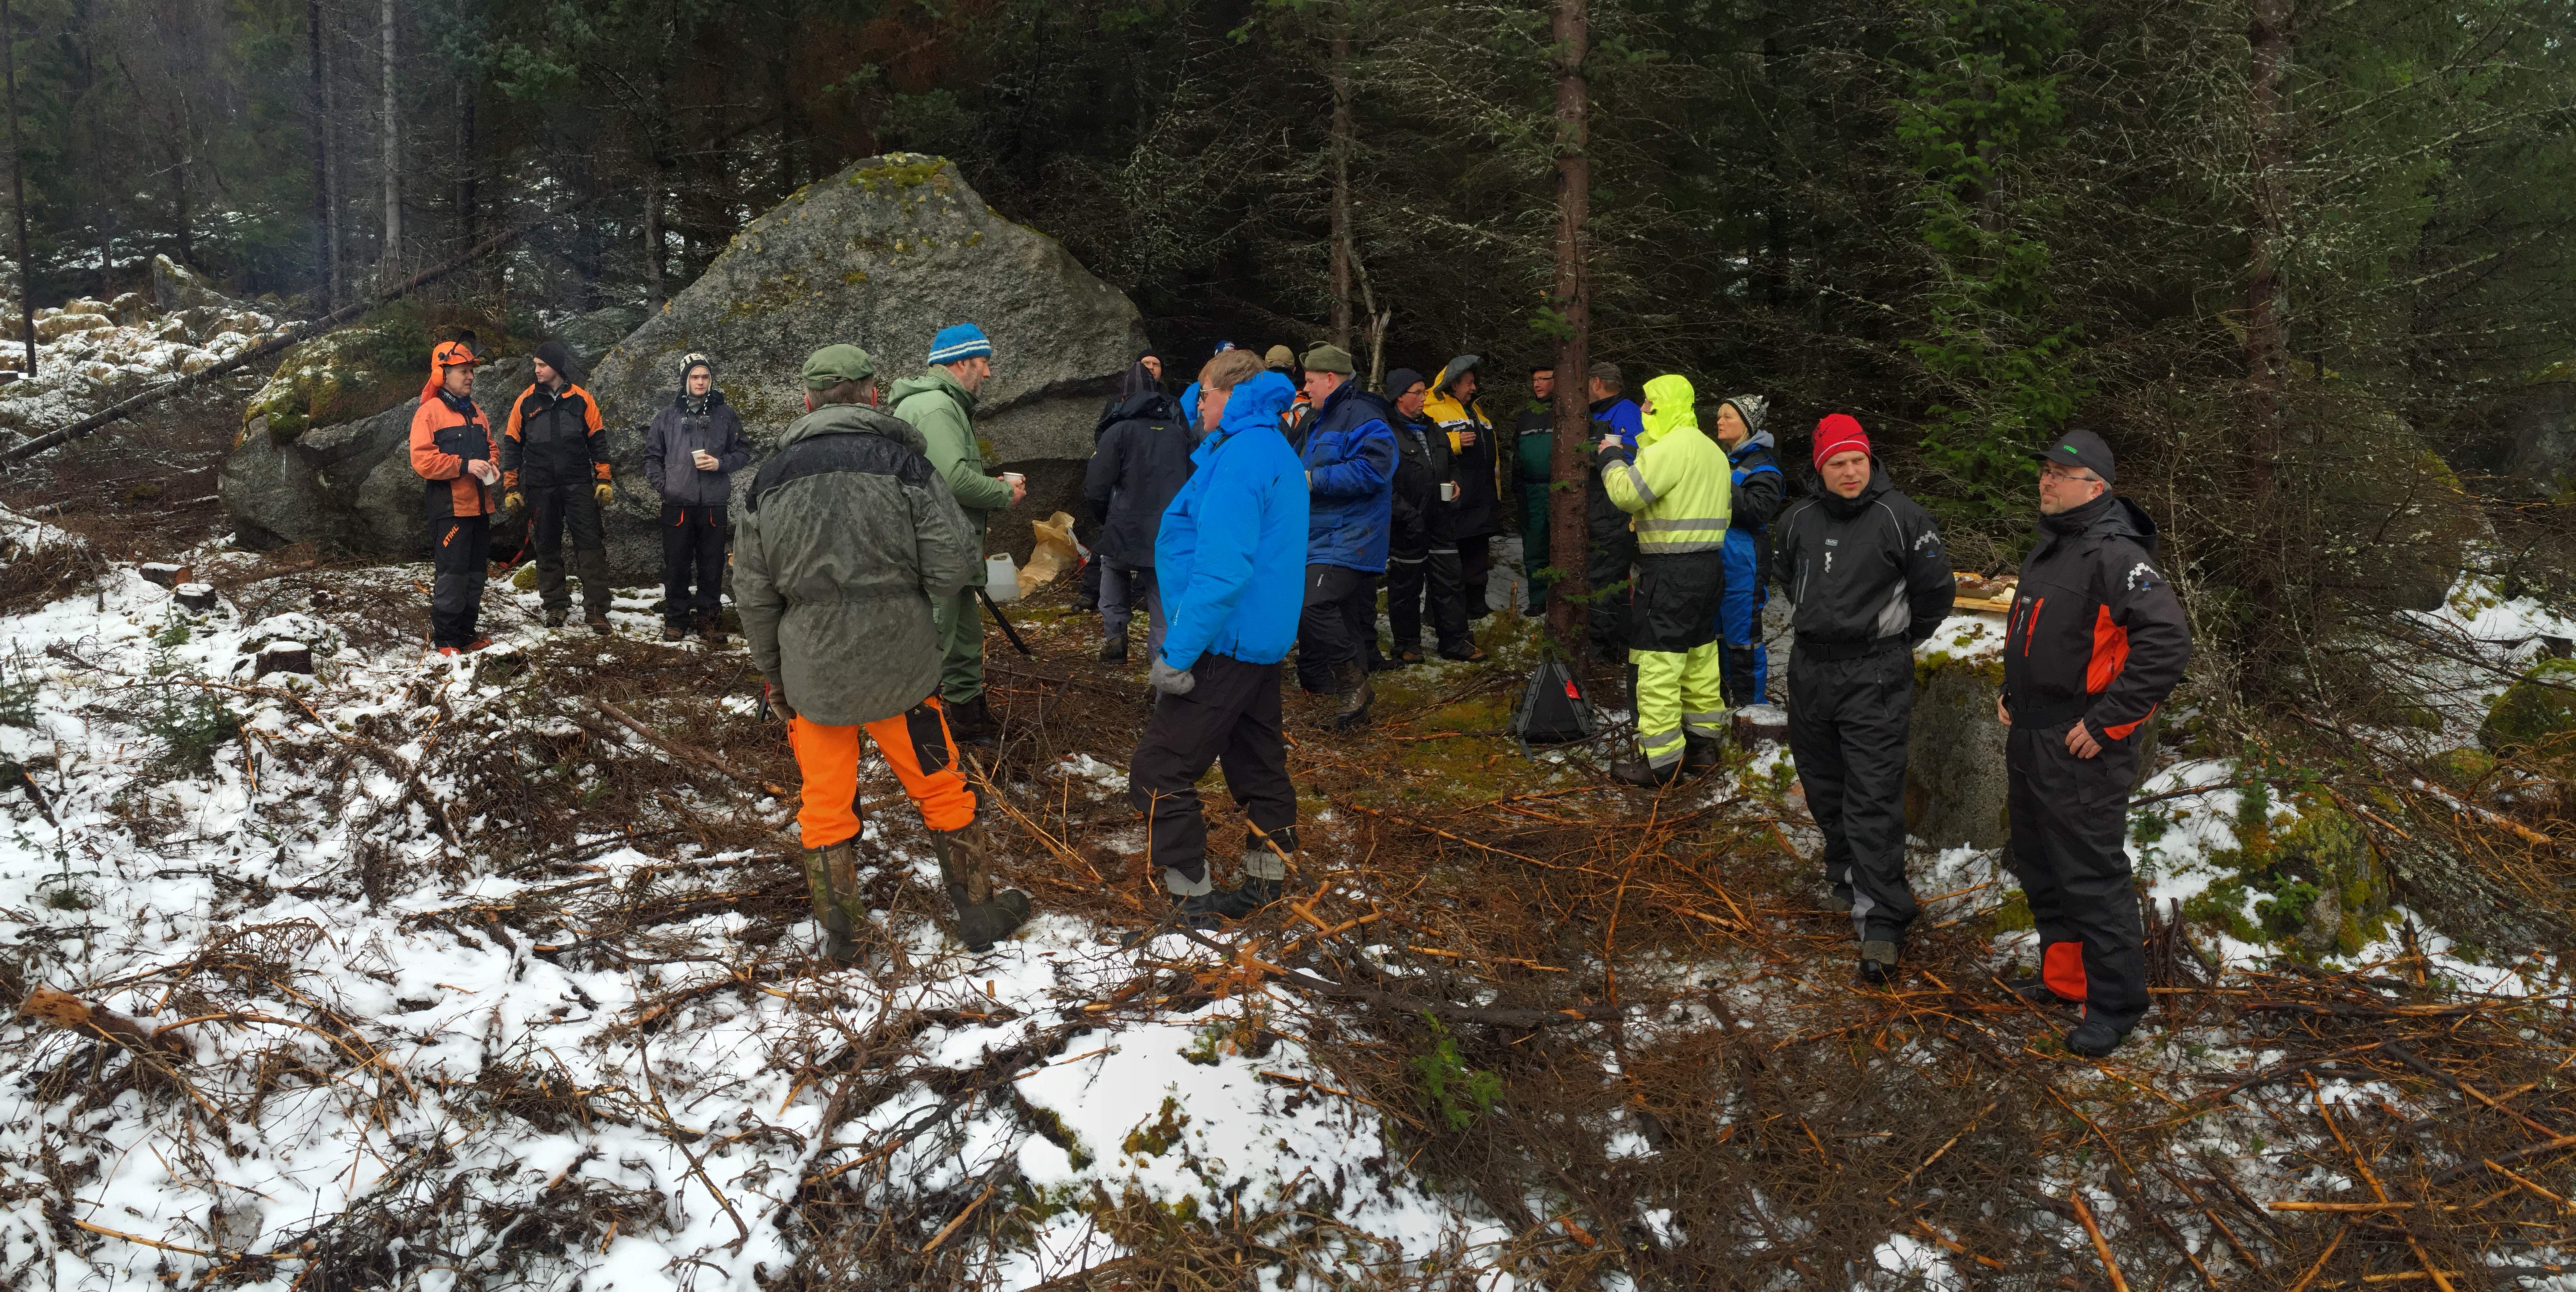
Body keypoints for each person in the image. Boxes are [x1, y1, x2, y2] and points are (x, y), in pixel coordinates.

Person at [736, 344, 1029, 962]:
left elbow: (755, 596)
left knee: (823, 803)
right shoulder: (907, 467)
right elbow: (956, 565)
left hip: (814, 673)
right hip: (906, 668)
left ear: (807, 402)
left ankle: (843, 937)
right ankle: (977, 912)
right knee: (941, 784)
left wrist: (775, 678)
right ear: (874, 395)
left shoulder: (767, 482)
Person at [1998, 430, 2191, 1058]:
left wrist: (2109, 722)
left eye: (2059, 474)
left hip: (2080, 748)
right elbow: (2037, 631)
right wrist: (2013, 691)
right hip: (2032, 734)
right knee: (2041, 867)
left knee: (2090, 875)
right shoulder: (2053, 548)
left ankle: (2115, 1006)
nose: (2045, 482)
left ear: (2096, 488)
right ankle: (2065, 981)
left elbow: (2166, 642)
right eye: (2045, 471)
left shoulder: (2116, 555)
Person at [1771, 414, 1955, 985]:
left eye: (1857, 461)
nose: (1849, 472)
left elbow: (1936, 593)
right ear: (1820, 468)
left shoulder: (1900, 516)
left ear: (1870, 460)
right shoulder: (1796, 518)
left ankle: (1883, 919)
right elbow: (1785, 578)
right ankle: (1846, 878)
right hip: (1810, 668)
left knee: (1873, 793)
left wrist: (1896, 639)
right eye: (1837, 463)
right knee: (1824, 783)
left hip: (1875, 671)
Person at [1129, 360, 1309, 922]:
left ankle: (1191, 900)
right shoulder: (1270, 447)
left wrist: (1178, 654)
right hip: (1259, 637)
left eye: (1203, 395)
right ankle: (1267, 882)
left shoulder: (1242, 457)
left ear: (1231, 395)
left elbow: (1223, 570)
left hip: (1224, 640)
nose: (1196, 406)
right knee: (1258, 760)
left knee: (1160, 770)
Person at [892, 323, 1027, 746]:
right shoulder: (936, 407)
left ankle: (969, 723)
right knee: (935, 640)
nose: (988, 373)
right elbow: (951, 480)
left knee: (963, 636)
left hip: (951, 548)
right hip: (937, 550)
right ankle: (923, 736)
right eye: (984, 363)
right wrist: (1003, 493)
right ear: (961, 362)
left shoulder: (944, 406)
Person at [1597, 374, 1732, 785]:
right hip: (1709, 568)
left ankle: (1660, 763)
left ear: (1664, 405)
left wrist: (1610, 458)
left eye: (1647, 403)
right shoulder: (1711, 450)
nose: (1642, 410)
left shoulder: (1672, 448)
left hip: (1670, 571)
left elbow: (1626, 494)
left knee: (1657, 664)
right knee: (1700, 659)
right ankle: (1703, 748)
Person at [1292, 342, 1396, 727]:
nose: (1306, 390)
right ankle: (1355, 709)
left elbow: (1375, 470)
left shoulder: (1363, 415)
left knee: (1312, 604)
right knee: (1347, 619)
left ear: (1331, 379)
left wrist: (1313, 480)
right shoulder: (1320, 418)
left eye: (1311, 381)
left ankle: (1352, 684)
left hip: (1351, 536)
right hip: (1324, 536)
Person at [1084, 357, 1194, 664]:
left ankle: (1116, 636)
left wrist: (1105, 518)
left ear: (1124, 397)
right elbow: (1192, 482)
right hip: (1168, 531)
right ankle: (1163, 675)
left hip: (1124, 525)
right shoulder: (1177, 434)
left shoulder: (1118, 432)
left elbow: (1095, 488)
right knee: (1163, 599)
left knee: (1113, 567)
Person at [502, 340, 616, 635]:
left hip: (579, 484)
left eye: (542, 365)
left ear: (557, 367)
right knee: (547, 546)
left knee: (591, 546)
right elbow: (512, 445)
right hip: (540, 487)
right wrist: (511, 487)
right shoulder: (525, 402)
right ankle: (555, 606)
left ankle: (597, 611)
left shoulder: (583, 400)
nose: (536, 370)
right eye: (536, 365)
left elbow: (598, 443)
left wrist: (603, 480)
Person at [642, 352, 750, 644]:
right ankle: (676, 620)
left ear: (711, 380)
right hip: (676, 503)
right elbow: (652, 457)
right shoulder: (667, 416)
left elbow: (743, 452)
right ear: (684, 381)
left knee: (712, 564)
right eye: (694, 377)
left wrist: (720, 464)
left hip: (714, 503)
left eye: (705, 377)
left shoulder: (725, 415)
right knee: (676, 565)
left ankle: (708, 622)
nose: (700, 382)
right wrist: (664, 487)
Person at [408, 340, 499, 655]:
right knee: (453, 576)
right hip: (449, 508)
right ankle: (446, 639)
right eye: (464, 371)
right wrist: (464, 465)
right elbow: (422, 460)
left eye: (472, 371)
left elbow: (492, 448)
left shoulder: (477, 412)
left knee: (476, 574)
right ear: (442, 374)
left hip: (479, 507)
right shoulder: (429, 412)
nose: (471, 377)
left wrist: (493, 467)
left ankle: (466, 633)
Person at [1382, 368, 1466, 665]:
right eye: (1417, 393)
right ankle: (1408, 645)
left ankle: (1455, 642)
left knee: (1450, 582)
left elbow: (1453, 464)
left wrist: (1456, 482)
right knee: (1405, 588)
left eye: (1424, 392)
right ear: (1399, 397)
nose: (1423, 398)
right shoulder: (1386, 433)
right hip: (1407, 523)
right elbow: (1383, 483)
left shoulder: (1434, 429)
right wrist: (1406, 514)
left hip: (1441, 519)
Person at [1076, 352, 1165, 615]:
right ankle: (1090, 592)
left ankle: (1139, 599)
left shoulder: (1170, 405)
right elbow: (1102, 435)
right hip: (1122, 484)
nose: (1149, 368)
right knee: (1108, 544)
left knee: (1150, 554)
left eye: (1155, 364)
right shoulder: (1116, 405)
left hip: (1157, 488)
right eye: (1145, 363)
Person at [1711, 394, 1784, 706]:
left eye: (1728, 416)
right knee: (1715, 638)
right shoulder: (1724, 460)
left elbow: (1757, 511)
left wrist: (1716, 479)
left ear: (1747, 424)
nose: (1720, 421)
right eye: (1719, 415)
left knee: (1742, 640)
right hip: (1714, 557)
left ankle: (1751, 709)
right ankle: (1719, 704)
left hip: (1746, 561)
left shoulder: (1765, 467)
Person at [1426, 355, 1501, 633]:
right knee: (1447, 561)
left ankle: (1476, 607)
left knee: (1477, 557)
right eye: (1469, 383)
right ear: (1454, 383)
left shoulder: (1478, 414)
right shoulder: (1433, 410)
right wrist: (1456, 441)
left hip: (1481, 500)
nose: (1473, 388)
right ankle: (1436, 614)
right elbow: (1427, 448)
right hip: (1452, 501)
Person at [1583, 363, 1646, 672]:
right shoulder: (1592, 411)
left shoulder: (1626, 412)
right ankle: (1619, 646)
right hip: (1596, 509)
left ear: (1596, 382)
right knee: (1612, 582)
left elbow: (1633, 457)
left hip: (1613, 510)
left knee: (1605, 581)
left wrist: (1599, 451)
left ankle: (1600, 652)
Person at [1513, 365, 1557, 616]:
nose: (1537, 384)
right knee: (1535, 546)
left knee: (1564, 546)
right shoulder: (1527, 414)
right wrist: (1517, 489)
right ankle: (1539, 599)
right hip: (1531, 491)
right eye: (1534, 380)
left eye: (1543, 379)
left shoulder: (1567, 411)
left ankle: (1565, 599)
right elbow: (1516, 454)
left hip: (1560, 489)